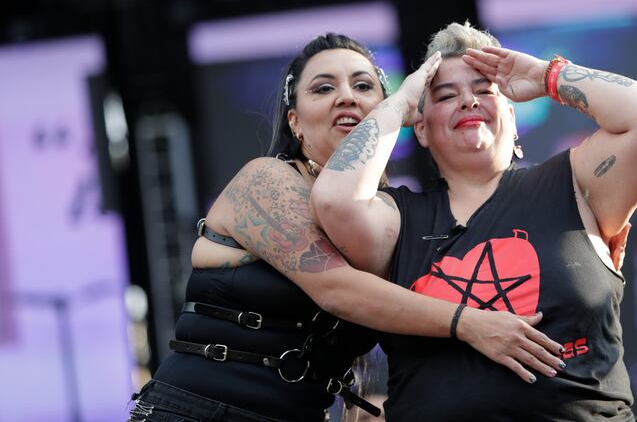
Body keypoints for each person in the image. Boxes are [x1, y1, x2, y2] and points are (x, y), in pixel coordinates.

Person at [128, 33, 564, 422]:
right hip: (196, 411)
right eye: (323, 88)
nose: (346, 98)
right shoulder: (264, 180)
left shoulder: (389, 215)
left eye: (363, 86)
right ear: (294, 121)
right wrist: (470, 323)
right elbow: (336, 289)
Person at [311, 22, 637, 421]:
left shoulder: (574, 184)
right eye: (446, 96)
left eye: (485, 90)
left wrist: (544, 75)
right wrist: (398, 103)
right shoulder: (398, 218)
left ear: (513, 114)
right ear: (421, 126)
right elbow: (332, 199)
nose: (468, 101)